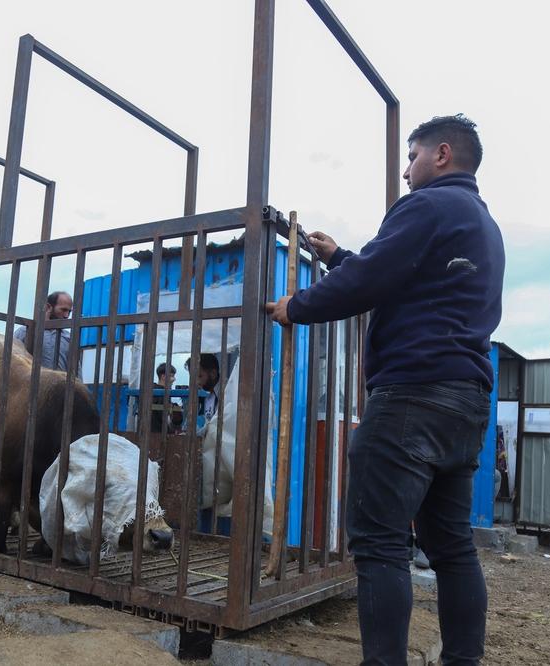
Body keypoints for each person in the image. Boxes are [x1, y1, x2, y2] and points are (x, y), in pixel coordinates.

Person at [267, 115, 504, 664]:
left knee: (379, 544)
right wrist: (337, 257)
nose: (406, 170)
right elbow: (398, 277)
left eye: (412, 155)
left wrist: (296, 307)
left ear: (441, 154)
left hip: (413, 395)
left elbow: (370, 280)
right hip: (465, 400)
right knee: (452, 547)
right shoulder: (482, 223)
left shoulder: (427, 205)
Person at [14, 291, 80, 378]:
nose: (66, 315)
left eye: (69, 311)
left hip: (59, 385)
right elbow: (12, 358)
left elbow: (76, 369)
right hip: (30, 384)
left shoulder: (68, 337)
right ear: (49, 307)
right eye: (63, 310)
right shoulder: (26, 331)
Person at [184, 353, 220, 430]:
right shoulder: (199, 395)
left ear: (213, 374)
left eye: (199, 376)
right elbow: (186, 427)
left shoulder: (227, 393)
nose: (196, 382)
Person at [150, 362, 182, 435]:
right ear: (163, 376)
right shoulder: (164, 394)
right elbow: (164, 419)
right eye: (172, 376)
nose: (174, 379)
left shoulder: (151, 391)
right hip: (159, 434)